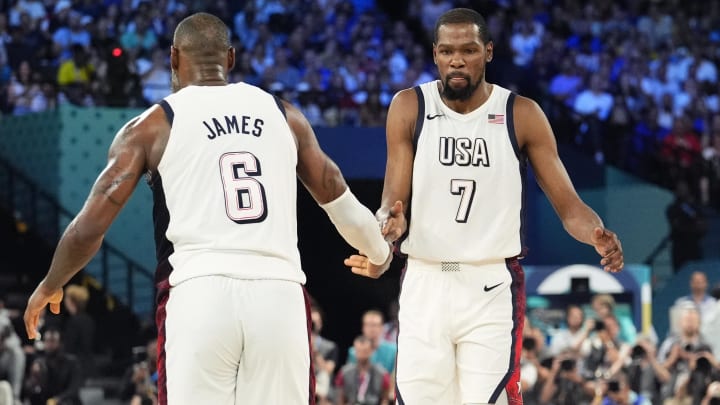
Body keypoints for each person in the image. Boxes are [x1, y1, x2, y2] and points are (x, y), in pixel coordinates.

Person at [23, 12, 395, 405]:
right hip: (278, 293)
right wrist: (379, 251)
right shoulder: (283, 114)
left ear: (173, 58)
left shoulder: (151, 125)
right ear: (230, 58)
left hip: (200, 294)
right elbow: (335, 190)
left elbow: (89, 227)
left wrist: (51, 283)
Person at [344, 8, 624, 404]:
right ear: (436, 54)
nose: (456, 59)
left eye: (468, 50)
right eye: (446, 51)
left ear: (488, 52)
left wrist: (597, 234)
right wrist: (387, 226)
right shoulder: (409, 106)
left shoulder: (521, 114)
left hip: (490, 285)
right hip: (426, 280)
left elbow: (569, 206)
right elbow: (393, 199)